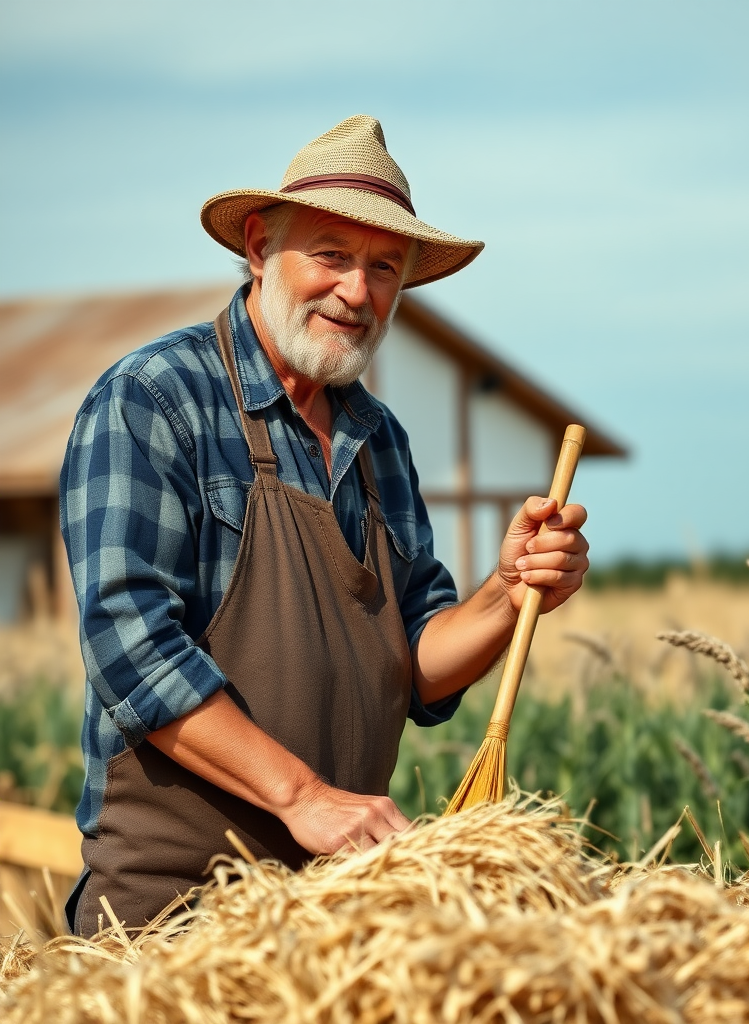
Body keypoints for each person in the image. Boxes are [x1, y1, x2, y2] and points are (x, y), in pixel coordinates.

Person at [59, 115, 590, 936]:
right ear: (260, 245)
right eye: (332, 256)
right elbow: (130, 651)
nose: (357, 291)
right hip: (173, 918)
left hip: (331, 918)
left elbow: (416, 670)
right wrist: (303, 798)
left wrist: (507, 589)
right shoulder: (155, 401)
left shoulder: (379, 441)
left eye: (384, 268)